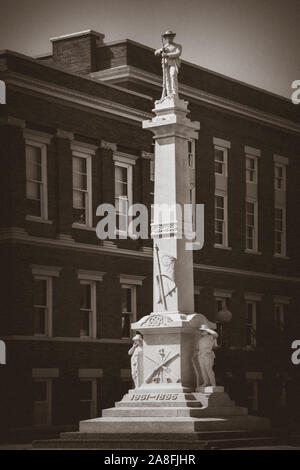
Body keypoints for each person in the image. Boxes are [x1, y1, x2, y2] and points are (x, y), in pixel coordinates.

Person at [155, 30, 182, 100]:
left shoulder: (177, 46)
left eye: (170, 36)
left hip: (173, 63)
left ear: (172, 37)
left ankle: (174, 93)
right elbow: (156, 53)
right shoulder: (164, 47)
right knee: (166, 79)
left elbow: (178, 53)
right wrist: (161, 50)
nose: (169, 38)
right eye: (167, 37)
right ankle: (169, 93)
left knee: (173, 75)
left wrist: (167, 55)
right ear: (165, 38)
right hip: (166, 64)